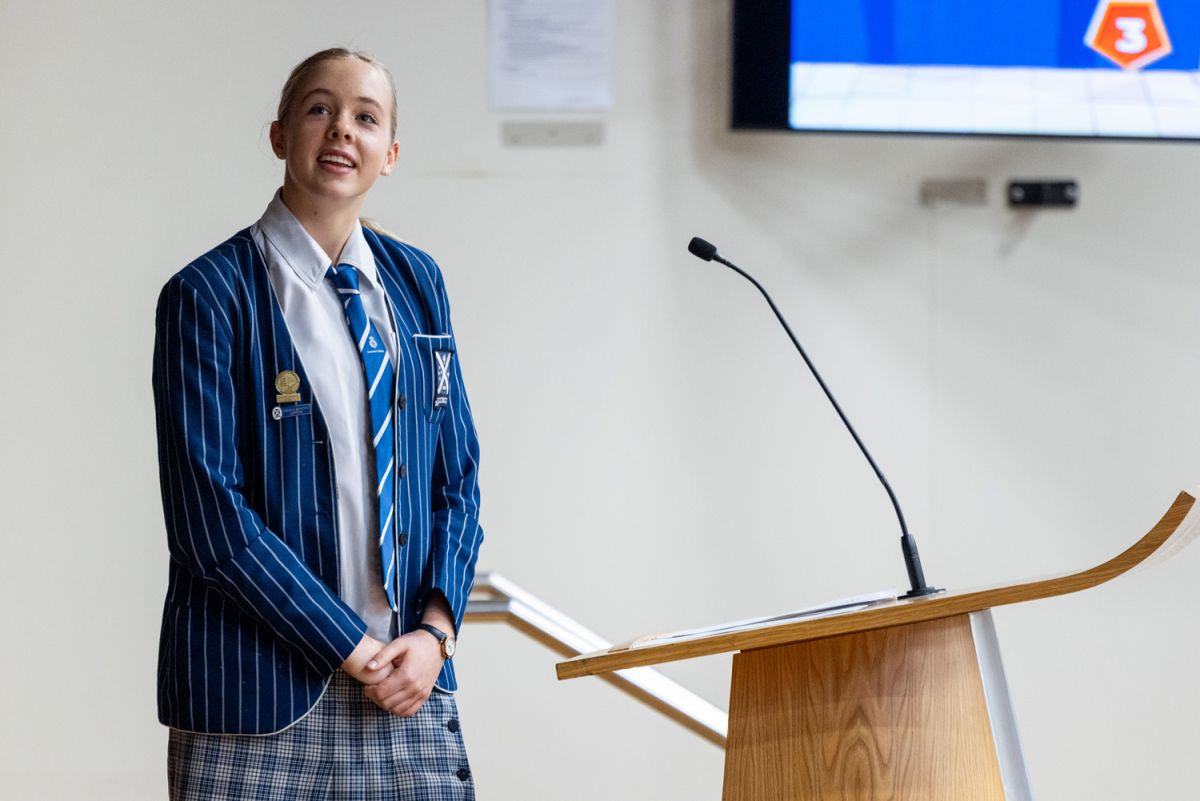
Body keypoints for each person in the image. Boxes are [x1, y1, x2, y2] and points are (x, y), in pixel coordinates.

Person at [151, 47, 483, 800]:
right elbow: (209, 520)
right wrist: (352, 648)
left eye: (366, 117)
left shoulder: (418, 282)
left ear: (389, 154)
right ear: (279, 135)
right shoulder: (207, 294)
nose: (342, 130)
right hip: (252, 701)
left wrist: (435, 634)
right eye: (319, 109)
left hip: (408, 688)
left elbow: (456, 479)